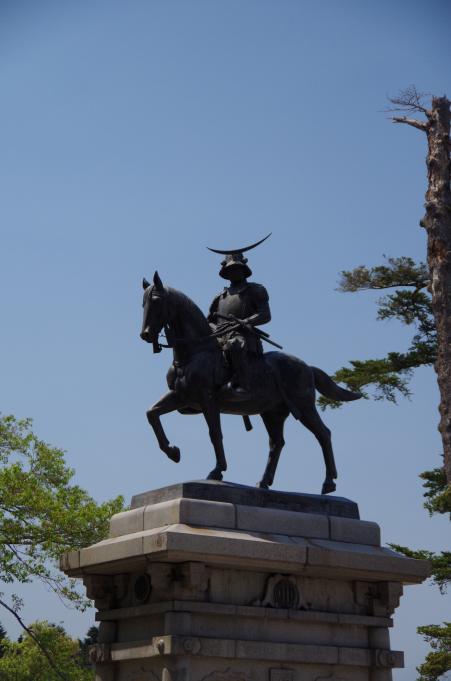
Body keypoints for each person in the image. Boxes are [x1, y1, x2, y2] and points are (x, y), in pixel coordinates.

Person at [208, 250, 271, 396]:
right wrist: (215, 330)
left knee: (234, 345)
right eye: (230, 269)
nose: (233, 272)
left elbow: (265, 315)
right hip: (219, 335)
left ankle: (244, 385)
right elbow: (209, 320)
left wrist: (246, 321)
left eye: (236, 268)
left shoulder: (255, 290)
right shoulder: (220, 296)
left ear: (243, 270)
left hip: (243, 335)